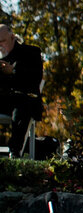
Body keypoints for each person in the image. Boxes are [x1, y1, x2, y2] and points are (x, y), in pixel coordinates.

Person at [0, 24, 44, 156]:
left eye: (2, 41)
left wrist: (13, 71)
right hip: (4, 101)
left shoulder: (31, 52)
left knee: (22, 105)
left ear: (13, 37)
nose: (0, 45)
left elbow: (35, 78)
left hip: (25, 100)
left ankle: (14, 152)